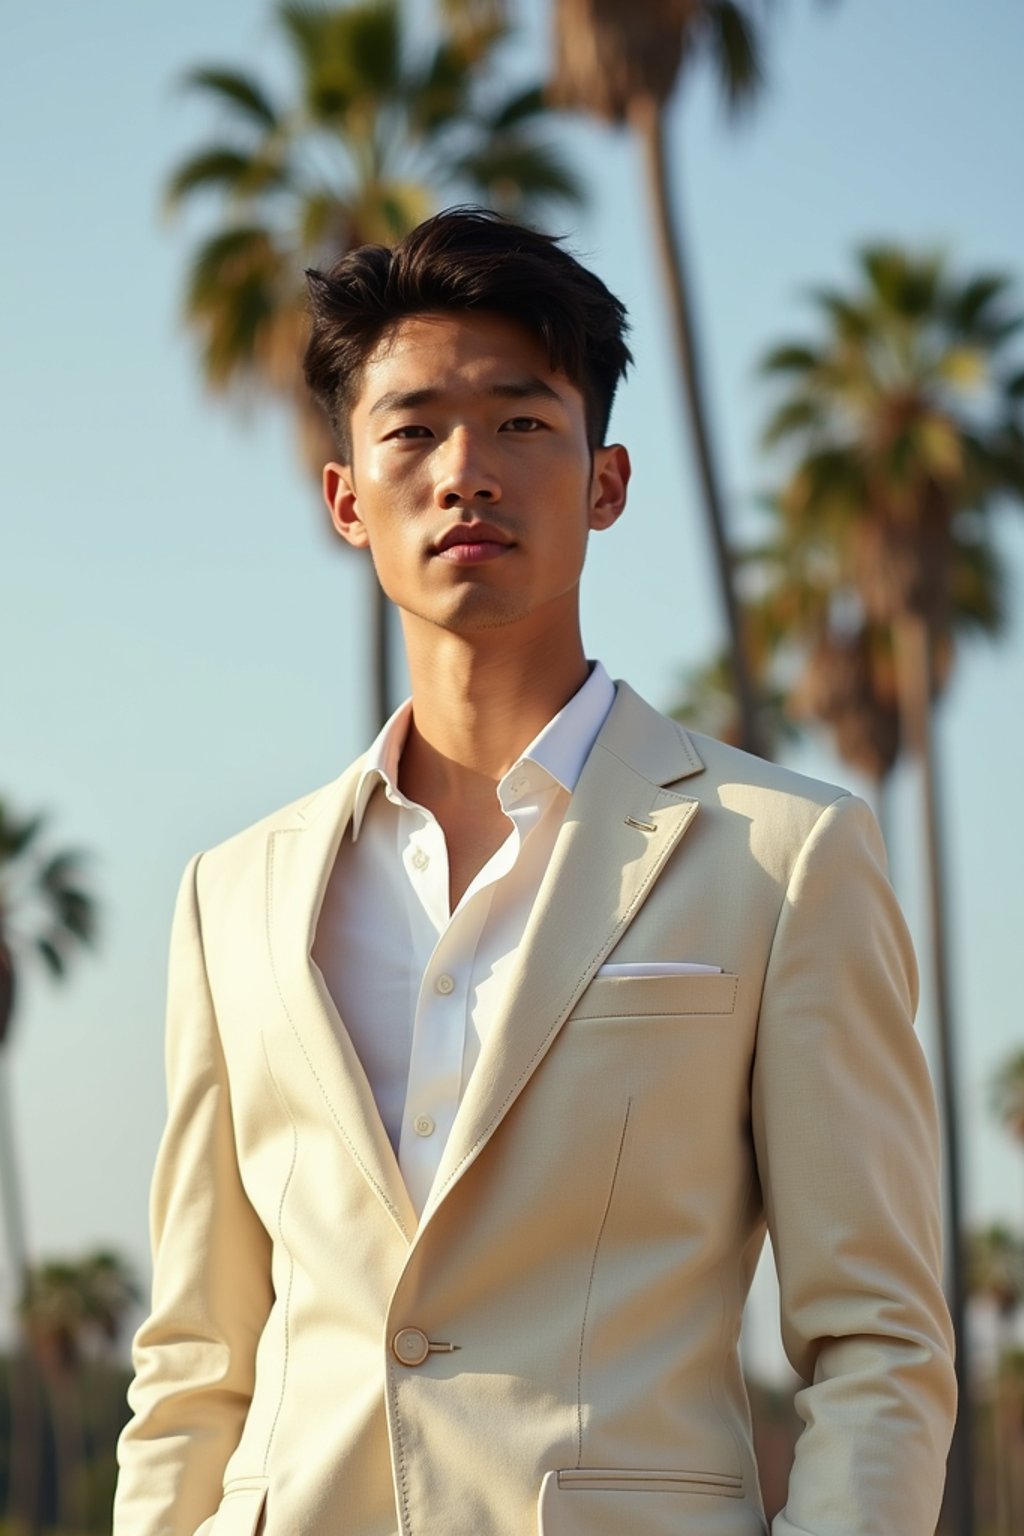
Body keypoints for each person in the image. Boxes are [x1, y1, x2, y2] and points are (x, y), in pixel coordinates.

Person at [113, 208, 955, 1536]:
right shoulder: (236, 895)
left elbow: (880, 1350)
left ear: (605, 484)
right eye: (412, 430)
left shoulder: (784, 857)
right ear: (346, 498)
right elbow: (194, 1369)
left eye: (519, 422)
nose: (465, 472)